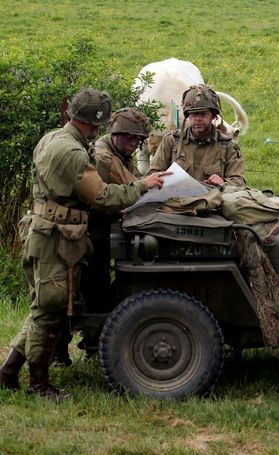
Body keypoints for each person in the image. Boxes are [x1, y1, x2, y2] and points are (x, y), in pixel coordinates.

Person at [0, 88, 168, 399]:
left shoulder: (52, 138)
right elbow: (102, 197)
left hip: (47, 232)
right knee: (49, 310)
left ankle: (8, 372)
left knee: (43, 308)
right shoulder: (72, 152)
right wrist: (142, 186)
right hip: (57, 239)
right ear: (98, 123)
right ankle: (38, 385)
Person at [77, 108, 151, 356]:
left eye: (137, 139)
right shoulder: (104, 158)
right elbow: (104, 197)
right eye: (128, 137)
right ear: (114, 132)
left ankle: (95, 342)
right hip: (91, 233)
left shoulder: (120, 153)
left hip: (106, 231)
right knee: (89, 289)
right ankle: (89, 343)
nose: (133, 143)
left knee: (99, 288)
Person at [148, 84, 245, 188]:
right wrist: (164, 179)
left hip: (212, 201)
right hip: (176, 200)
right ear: (188, 115)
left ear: (213, 115)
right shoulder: (171, 141)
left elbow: (238, 182)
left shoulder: (228, 146)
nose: (198, 119)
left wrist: (223, 183)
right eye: (194, 114)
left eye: (203, 114)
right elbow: (153, 174)